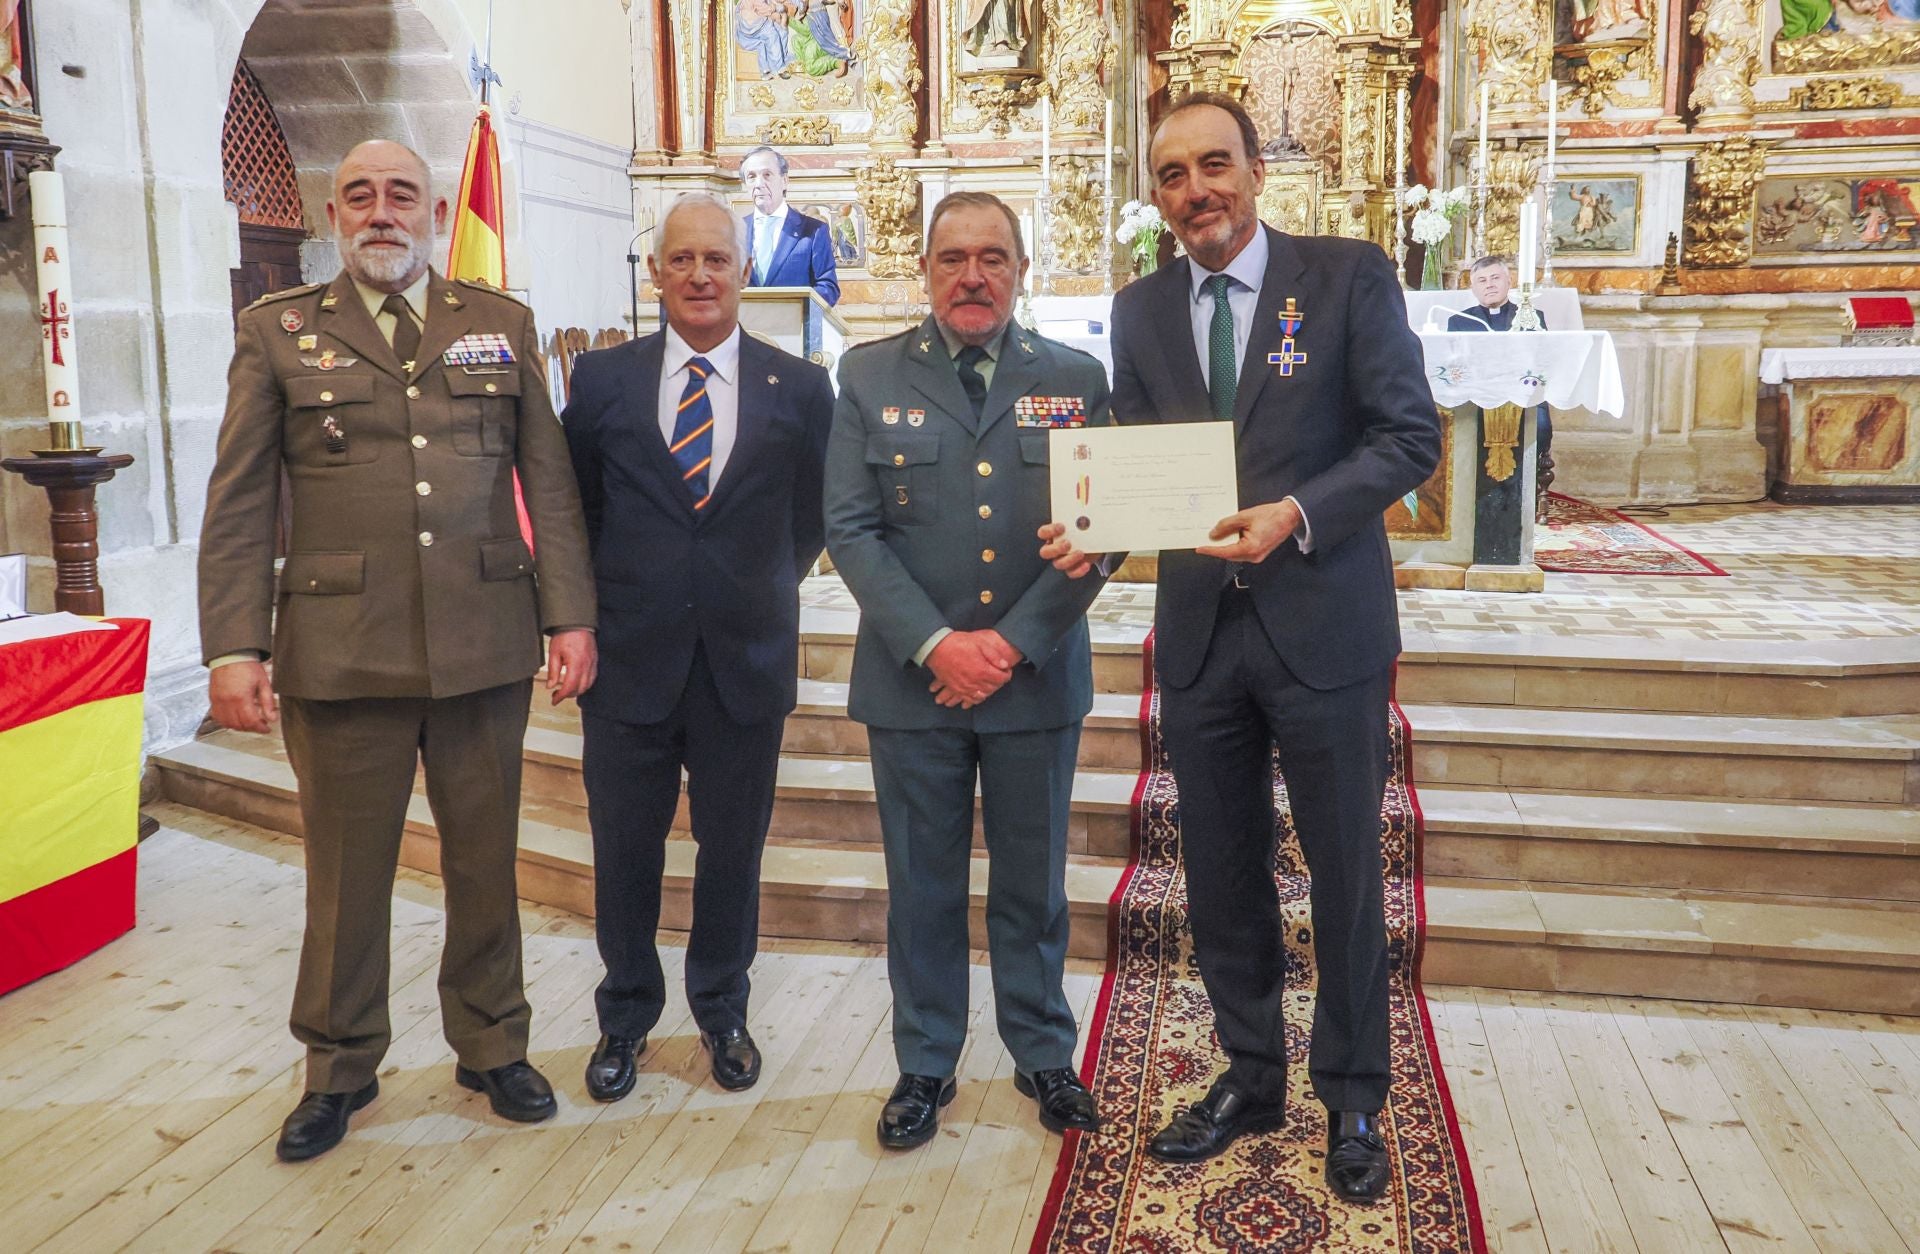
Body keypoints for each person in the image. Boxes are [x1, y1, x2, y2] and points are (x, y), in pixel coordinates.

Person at [1041, 93, 1440, 1202]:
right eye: (1172, 176)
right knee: (1219, 871)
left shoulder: (1349, 275)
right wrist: (1091, 528)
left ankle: (1355, 1091)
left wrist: (1297, 514)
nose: (1196, 192)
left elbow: (1408, 436)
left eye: (1215, 165)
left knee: (1346, 874)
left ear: (1257, 170)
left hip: (1325, 624)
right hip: (1203, 636)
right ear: (1156, 196)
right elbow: (1137, 459)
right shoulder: (1140, 309)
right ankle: (1251, 1072)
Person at [199, 139, 598, 1162]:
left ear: (431, 211)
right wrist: (234, 643)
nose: (382, 212)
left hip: (482, 640)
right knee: (345, 873)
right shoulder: (280, 330)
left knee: (484, 862)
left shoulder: (497, 324)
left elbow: (545, 483)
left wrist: (570, 615)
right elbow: (241, 497)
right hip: (341, 650)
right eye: (361, 196)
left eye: (402, 195)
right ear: (335, 215)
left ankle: (492, 1044)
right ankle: (337, 1067)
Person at [825, 191, 1109, 1151]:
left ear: (1023, 269)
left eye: (992, 257)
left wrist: (1012, 644)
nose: (972, 275)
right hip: (913, 686)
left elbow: (1097, 539)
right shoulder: (866, 377)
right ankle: (926, 1064)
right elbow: (851, 530)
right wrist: (939, 645)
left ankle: (1041, 1053)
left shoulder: (1076, 377)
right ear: (926, 271)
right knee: (923, 885)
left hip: (1034, 682)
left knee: (1033, 886)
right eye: (953, 259)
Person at [561, 192, 833, 1102]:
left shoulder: (799, 388)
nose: (700, 275)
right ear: (656, 274)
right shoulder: (600, 383)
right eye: (681, 260)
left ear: (744, 271)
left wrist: (749, 592)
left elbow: (810, 521)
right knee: (624, 853)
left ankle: (722, 1007)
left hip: (743, 664)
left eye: (716, 259)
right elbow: (580, 511)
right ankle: (625, 1018)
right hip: (629, 663)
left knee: (732, 854)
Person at [1449, 254, 1551, 470]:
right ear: (1473, 288)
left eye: (1495, 278)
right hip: (1475, 396)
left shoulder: (1532, 317)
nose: (1490, 285)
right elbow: (1455, 366)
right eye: (1482, 281)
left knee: (1540, 426)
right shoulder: (1459, 321)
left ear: (1509, 282)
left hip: (1524, 395)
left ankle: (1524, 487)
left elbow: (1541, 361)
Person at [740, 145, 841, 306]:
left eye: (767, 175)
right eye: (751, 176)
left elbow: (828, 288)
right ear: (745, 185)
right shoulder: (733, 231)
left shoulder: (813, 231)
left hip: (795, 328)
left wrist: (794, 308)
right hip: (746, 327)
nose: (759, 183)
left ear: (785, 181)